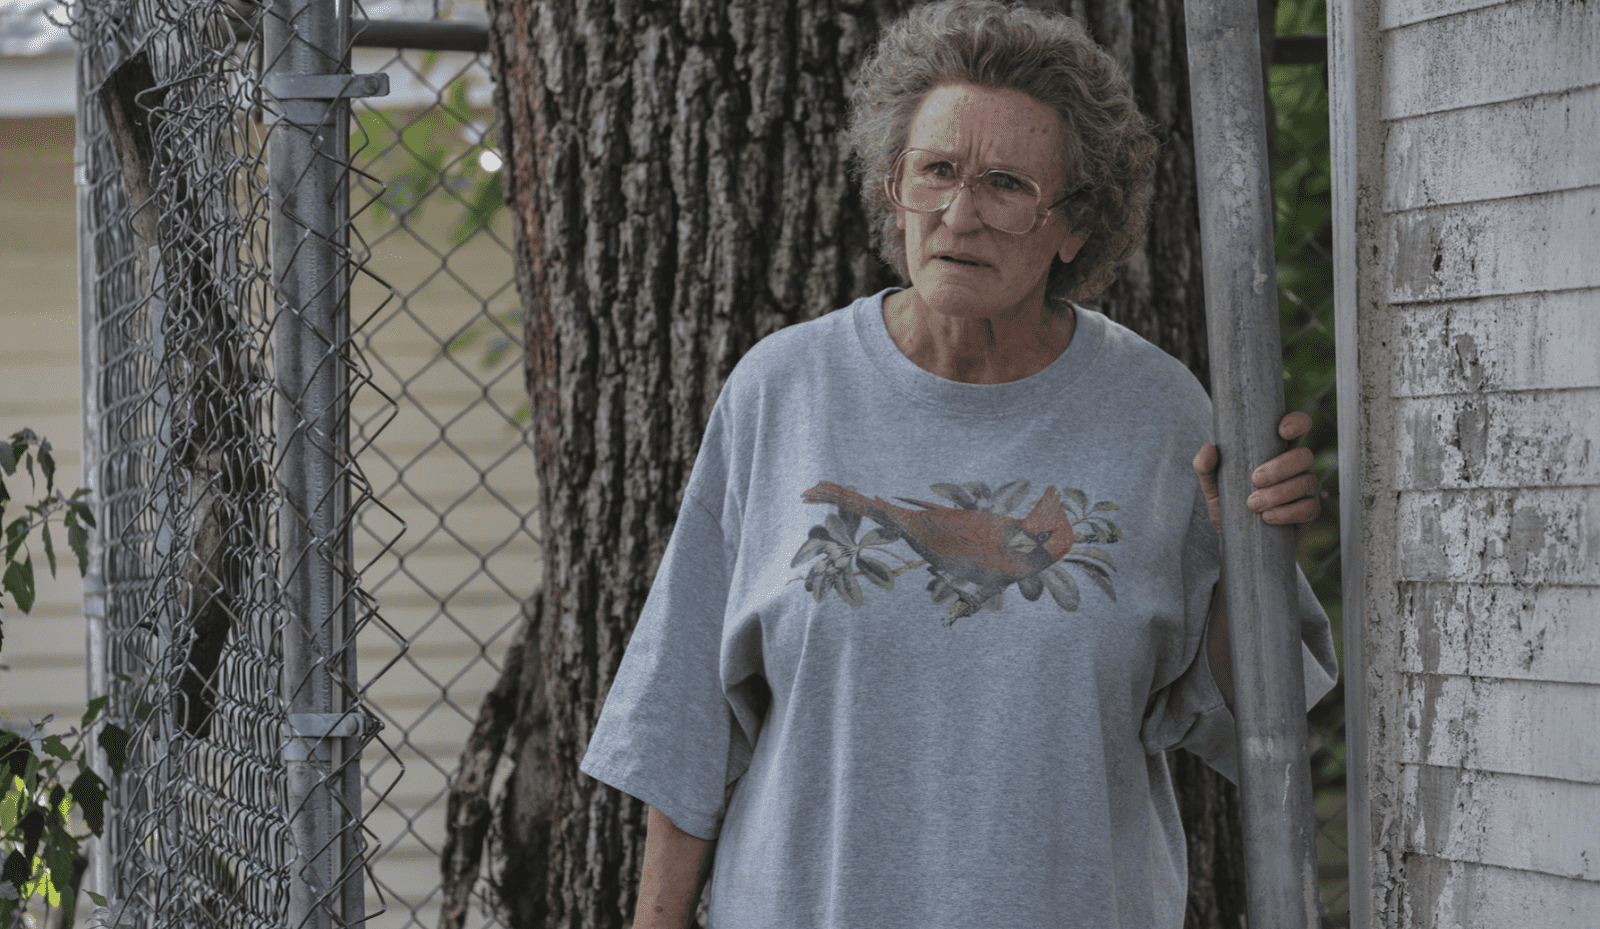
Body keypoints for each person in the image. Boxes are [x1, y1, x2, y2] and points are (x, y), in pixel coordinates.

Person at [579, 2, 1338, 926]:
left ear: (1075, 224)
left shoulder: (1161, 412)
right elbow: (687, 723)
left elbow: (1251, 716)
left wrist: (1250, 560)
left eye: (1007, 183)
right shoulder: (784, 389)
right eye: (935, 171)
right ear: (893, 183)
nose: (960, 214)